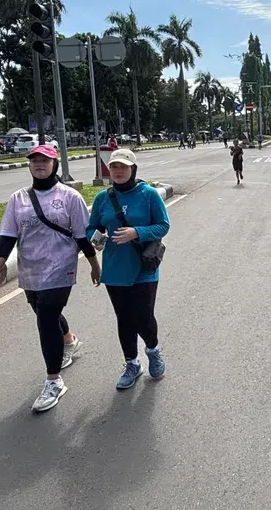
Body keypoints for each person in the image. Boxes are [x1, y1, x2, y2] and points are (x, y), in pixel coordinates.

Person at [0, 145, 101, 413]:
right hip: (30, 269)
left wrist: (94, 264)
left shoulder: (70, 196)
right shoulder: (18, 199)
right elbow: (8, 236)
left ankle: (53, 381)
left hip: (61, 267)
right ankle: (69, 341)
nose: (39, 164)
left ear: (54, 165)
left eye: (45, 161)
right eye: (35, 160)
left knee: (46, 319)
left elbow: (82, 235)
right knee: (43, 311)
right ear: (29, 165)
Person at [86, 148, 171, 389]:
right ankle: (132, 363)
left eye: (123, 166)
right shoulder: (103, 198)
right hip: (115, 268)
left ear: (133, 169)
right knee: (124, 318)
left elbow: (163, 225)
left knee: (144, 317)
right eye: (114, 166)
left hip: (144, 266)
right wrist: (97, 238)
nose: (118, 171)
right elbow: (91, 227)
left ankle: (153, 350)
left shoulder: (148, 194)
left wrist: (137, 232)